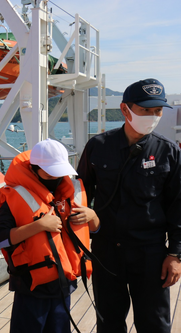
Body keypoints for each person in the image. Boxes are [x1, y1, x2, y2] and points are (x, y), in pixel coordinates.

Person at [77, 78, 181, 332]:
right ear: (125, 110)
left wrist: (175, 254)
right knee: (109, 322)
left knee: (154, 323)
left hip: (150, 253)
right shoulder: (97, 147)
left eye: (157, 111)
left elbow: (178, 207)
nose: (153, 117)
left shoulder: (168, 152)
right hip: (106, 252)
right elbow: (79, 195)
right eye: (146, 110)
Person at [0, 138, 99, 333]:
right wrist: (38, 226)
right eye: (50, 173)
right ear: (34, 169)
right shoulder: (15, 197)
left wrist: (93, 216)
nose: (55, 178)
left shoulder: (69, 193)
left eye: (59, 172)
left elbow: (96, 230)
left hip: (64, 286)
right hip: (32, 288)